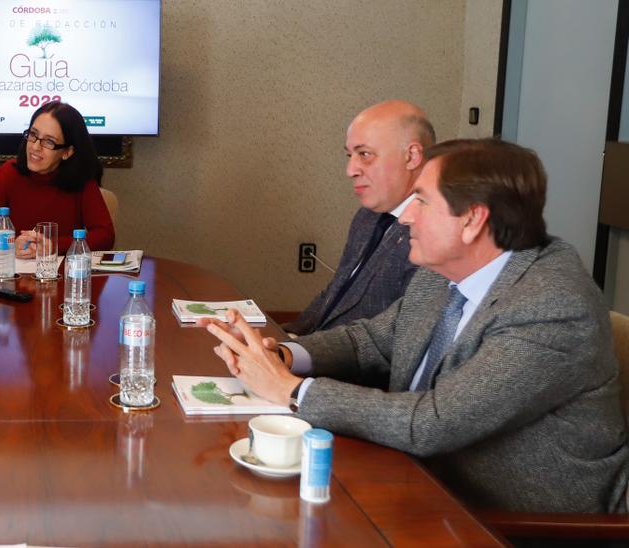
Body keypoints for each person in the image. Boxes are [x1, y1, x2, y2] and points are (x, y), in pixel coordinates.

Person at [207, 138, 629, 513]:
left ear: (472, 220)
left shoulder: (551, 305)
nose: (406, 217)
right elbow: (369, 341)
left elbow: (433, 422)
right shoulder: (441, 272)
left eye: (422, 201)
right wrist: (282, 355)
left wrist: (291, 390)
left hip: (516, 520)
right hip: (418, 479)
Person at [284, 100, 433, 336]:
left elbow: (390, 343)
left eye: (365, 154)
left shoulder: (432, 236)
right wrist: (279, 339)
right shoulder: (367, 217)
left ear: (412, 156)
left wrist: (295, 353)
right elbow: (336, 293)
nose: (350, 169)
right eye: (349, 155)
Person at [0, 101, 115, 256]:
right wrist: (8, 244)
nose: (35, 147)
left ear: (67, 151)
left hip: (63, 274)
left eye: (49, 141)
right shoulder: (10, 172)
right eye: (33, 134)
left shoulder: (81, 178)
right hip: (17, 272)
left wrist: (53, 245)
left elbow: (105, 236)